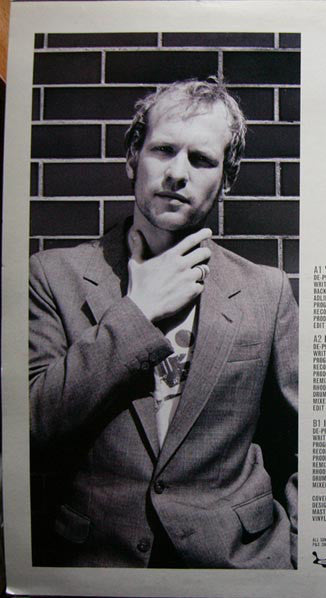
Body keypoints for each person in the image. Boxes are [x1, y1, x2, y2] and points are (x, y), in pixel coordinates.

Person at [29, 79, 298, 569]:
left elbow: (315, 441)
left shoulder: (267, 290)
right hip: (99, 565)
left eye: (201, 159)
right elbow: (31, 426)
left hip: (238, 565)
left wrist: (301, 550)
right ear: (133, 157)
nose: (177, 173)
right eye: (163, 150)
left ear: (227, 178)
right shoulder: (52, 276)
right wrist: (138, 311)